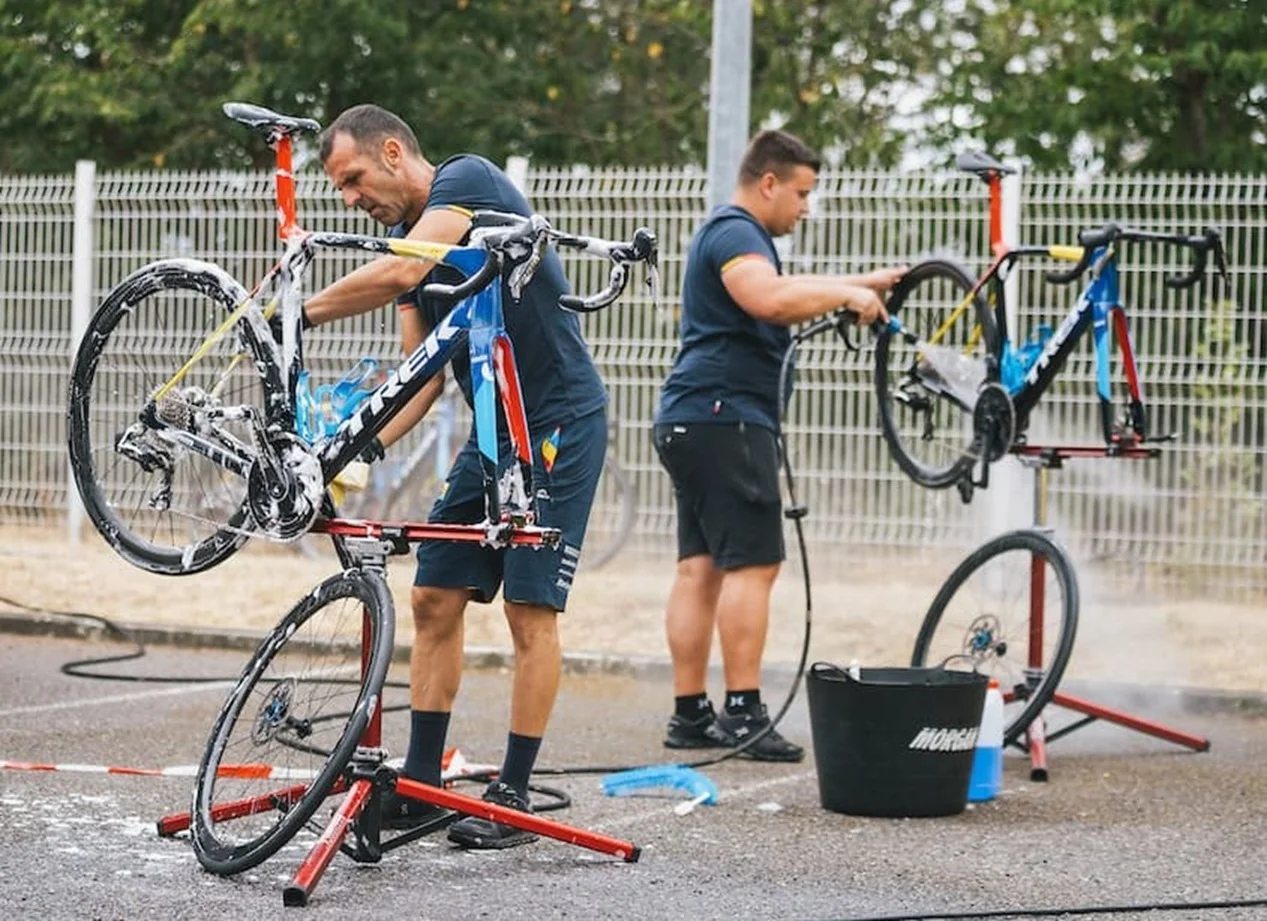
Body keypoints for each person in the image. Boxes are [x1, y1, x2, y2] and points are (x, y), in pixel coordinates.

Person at [302, 104, 609, 848]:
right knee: (435, 595)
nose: (350, 198)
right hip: (493, 431)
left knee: (528, 614)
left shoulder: (469, 182)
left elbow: (404, 266)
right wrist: (341, 455)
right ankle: (423, 784)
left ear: (394, 151)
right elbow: (418, 382)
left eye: (352, 178)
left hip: (556, 421)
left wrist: (294, 312)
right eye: (338, 190)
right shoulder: (408, 247)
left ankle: (513, 794)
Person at [653, 129, 905, 762]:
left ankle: (690, 714)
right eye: (801, 192)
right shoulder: (738, 232)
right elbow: (766, 297)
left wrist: (861, 280)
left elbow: (778, 285)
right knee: (753, 566)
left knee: (701, 566)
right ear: (768, 182)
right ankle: (744, 712)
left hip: (691, 418)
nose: (805, 207)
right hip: (727, 416)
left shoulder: (731, 234)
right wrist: (849, 294)